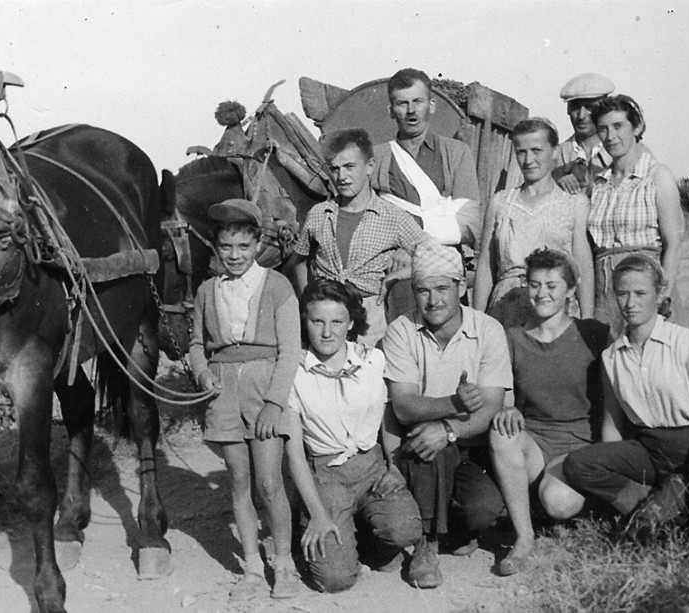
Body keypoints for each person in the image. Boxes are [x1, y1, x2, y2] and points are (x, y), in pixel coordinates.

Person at [188, 198, 302, 599]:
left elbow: (290, 350)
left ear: (257, 244)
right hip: (223, 393)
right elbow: (197, 344)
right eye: (226, 247)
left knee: (269, 483)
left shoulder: (277, 285)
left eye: (243, 246)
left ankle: (284, 565)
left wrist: (274, 402)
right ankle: (253, 567)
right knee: (239, 481)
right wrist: (202, 372)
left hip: (263, 390)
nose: (234, 256)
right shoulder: (207, 290)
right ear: (216, 248)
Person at [563, 255, 689, 531]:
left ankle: (665, 507)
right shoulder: (612, 358)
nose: (630, 303)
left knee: (667, 527)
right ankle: (647, 507)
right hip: (649, 450)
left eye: (640, 293)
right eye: (622, 293)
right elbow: (612, 427)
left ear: (660, 294)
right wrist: (611, 471)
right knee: (578, 464)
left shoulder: (685, 342)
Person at [382, 241, 510, 588]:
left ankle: (452, 525)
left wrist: (449, 429)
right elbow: (404, 406)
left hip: (470, 444)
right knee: (428, 441)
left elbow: (491, 407)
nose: (433, 300)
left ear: (462, 287)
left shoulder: (487, 330)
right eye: (423, 290)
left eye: (442, 288)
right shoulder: (401, 331)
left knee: (483, 509)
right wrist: (454, 404)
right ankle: (427, 544)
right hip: (418, 446)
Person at [284, 279, 422, 593]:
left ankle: (369, 542)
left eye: (337, 322)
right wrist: (318, 514)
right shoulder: (293, 371)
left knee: (405, 530)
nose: (327, 332)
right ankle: (336, 541)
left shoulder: (373, 361)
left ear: (351, 323)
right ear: (305, 322)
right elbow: (294, 453)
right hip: (326, 475)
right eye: (317, 321)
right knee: (334, 580)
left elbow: (388, 421)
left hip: (371, 465)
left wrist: (395, 467)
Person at [488, 248, 610, 576]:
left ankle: (572, 510)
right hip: (534, 441)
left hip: (579, 443)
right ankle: (524, 537)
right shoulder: (513, 338)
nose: (542, 293)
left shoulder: (593, 334)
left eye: (552, 285)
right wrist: (509, 408)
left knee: (559, 502)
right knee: (502, 431)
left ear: (570, 290)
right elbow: (507, 391)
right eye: (534, 284)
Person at [289, 128, 430, 347]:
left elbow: (433, 257)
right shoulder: (319, 213)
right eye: (335, 169)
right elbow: (299, 260)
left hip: (370, 318)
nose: (341, 176)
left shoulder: (392, 216)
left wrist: (398, 275)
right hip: (326, 316)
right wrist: (308, 297)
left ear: (369, 167)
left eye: (349, 167)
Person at [473, 118, 594, 328]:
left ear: (554, 152)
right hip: (506, 306)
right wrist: (476, 320)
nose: (528, 159)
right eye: (521, 151)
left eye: (537, 150)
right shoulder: (501, 202)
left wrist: (588, 321)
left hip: (555, 307)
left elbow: (583, 264)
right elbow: (486, 265)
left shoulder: (573, 204)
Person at [587, 94, 684, 333]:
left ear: (637, 126)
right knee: (611, 362)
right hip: (607, 292)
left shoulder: (657, 176)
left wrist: (664, 295)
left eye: (618, 126)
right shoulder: (598, 184)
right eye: (603, 129)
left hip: (647, 288)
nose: (610, 136)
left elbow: (674, 244)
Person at [371, 67, 482, 248]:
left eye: (418, 101)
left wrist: (411, 237)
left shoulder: (457, 152)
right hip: (387, 255)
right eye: (402, 103)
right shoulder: (376, 157)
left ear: (431, 106)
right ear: (391, 110)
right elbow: (364, 217)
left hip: (441, 255)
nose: (411, 110)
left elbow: (468, 224)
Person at [553, 73, 616, 197]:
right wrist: (555, 184)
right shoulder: (554, 156)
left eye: (589, 107)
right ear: (568, 110)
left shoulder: (619, 153)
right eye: (575, 107)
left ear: (604, 110)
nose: (581, 116)